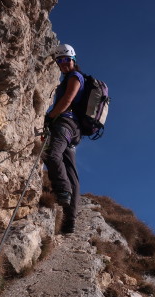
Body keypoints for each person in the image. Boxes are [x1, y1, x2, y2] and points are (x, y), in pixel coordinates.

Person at [43, 43, 85, 234]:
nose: (63, 63)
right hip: (74, 130)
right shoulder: (70, 77)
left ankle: (62, 191)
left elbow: (67, 100)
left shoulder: (75, 77)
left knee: (52, 155)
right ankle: (70, 220)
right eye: (59, 60)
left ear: (73, 60)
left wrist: (50, 117)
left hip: (65, 124)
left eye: (66, 59)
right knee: (71, 171)